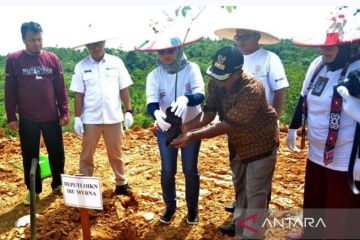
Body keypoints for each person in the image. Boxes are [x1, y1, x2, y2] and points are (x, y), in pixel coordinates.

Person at [172, 45, 278, 239]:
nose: (218, 81)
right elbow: (210, 113)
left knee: (255, 191)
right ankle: (239, 224)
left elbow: (226, 125)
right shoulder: (216, 81)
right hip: (238, 143)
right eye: (216, 75)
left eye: (224, 77)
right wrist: (185, 127)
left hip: (261, 143)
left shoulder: (252, 89)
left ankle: (251, 235)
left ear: (238, 72)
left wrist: (192, 136)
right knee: (240, 186)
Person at [286, 6, 360, 239]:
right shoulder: (317, 65)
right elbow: (303, 96)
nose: (324, 50)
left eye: (330, 46)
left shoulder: (358, 69)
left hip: (345, 153)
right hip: (318, 148)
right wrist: (293, 126)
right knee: (315, 196)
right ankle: (311, 233)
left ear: (347, 45)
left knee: (340, 207)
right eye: (322, 45)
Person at [214, 27, 289, 215]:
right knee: (240, 176)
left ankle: (256, 220)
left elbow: (279, 91)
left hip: (261, 130)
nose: (240, 41)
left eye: (244, 38)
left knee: (258, 180)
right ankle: (241, 219)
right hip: (236, 128)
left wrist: (273, 120)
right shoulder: (233, 59)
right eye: (237, 37)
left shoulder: (269, 59)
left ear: (257, 37)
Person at [136, 34, 205, 224]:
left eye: (170, 51)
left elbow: (200, 94)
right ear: (157, 54)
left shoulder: (191, 68)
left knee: (190, 169)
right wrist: (157, 114)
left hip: (189, 125)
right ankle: (170, 206)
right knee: (168, 169)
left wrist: (186, 98)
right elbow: (152, 101)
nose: (166, 55)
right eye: (162, 52)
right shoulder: (154, 75)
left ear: (178, 50)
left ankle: (192, 208)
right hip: (165, 127)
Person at [4, 21, 69, 205]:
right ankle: (34, 190)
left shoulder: (52, 59)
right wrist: (11, 116)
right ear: (23, 39)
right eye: (32, 40)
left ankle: (58, 184)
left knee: (57, 153)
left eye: (39, 39)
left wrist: (64, 112)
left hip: (51, 117)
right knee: (30, 155)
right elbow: (10, 90)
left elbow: (60, 88)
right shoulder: (14, 60)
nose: (37, 43)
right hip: (27, 118)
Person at [70, 36, 134, 196]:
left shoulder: (116, 62)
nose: (96, 47)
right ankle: (85, 185)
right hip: (91, 118)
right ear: (87, 46)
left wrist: (128, 110)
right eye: (91, 44)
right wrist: (77, 117)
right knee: (87, 154)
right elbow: (79, 94)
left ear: (104, 43)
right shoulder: (81, 66)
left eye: (98, 44)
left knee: (116, 152)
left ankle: (121, 183)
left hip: (113, 117)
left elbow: (124, 88)